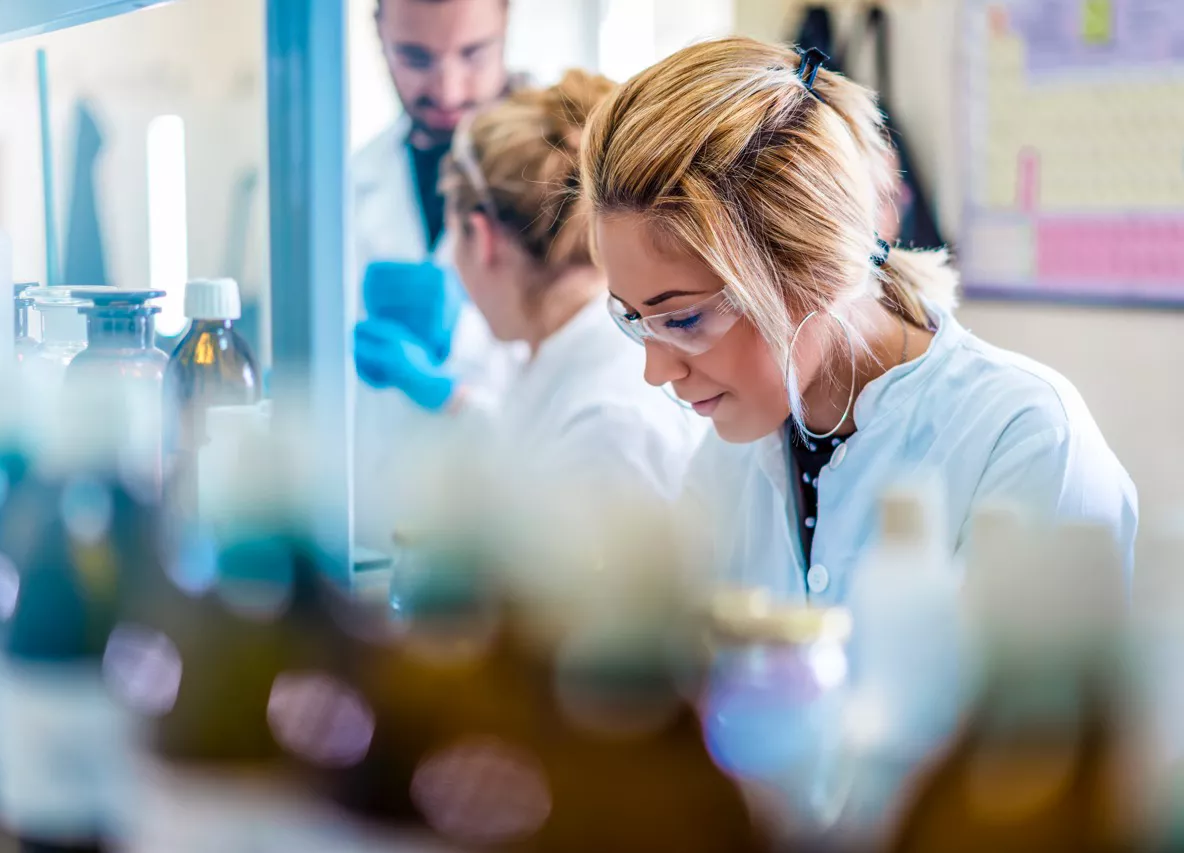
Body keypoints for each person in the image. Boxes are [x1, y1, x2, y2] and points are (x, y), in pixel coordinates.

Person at [578, 38, 1137, 604]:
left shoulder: (1023, 439)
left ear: (814, 269)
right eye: (633, 319)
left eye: (684, 319)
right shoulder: (728, 460)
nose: (654, 371)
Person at [357, 70, 701, 502]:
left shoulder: (608, 423)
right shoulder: (560, 351)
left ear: (479, 238)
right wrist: (451, 400)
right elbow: (523, 453)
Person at [352, 0, 521, 550]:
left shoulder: (568, 169)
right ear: (380, 35)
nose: (448, 90)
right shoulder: (353, 180)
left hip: (512, 523)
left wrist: (458, 355)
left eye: (473, 54)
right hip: (383, 523)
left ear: (506, 23)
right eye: (416, 58)